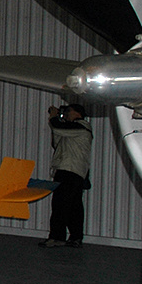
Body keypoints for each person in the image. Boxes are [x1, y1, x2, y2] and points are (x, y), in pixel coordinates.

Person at [39, 103, 93, 248]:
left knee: (60, 204)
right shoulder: (72, 130)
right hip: (72, 171)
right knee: (74, 206)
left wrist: (54, 116)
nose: (66, 114)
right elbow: (56, 142)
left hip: (69, 170)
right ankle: (75, 237)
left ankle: (57, 237)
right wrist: (57, 122)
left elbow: (57, 127)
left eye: (69, 111)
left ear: (78, 113)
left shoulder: (82, 126)